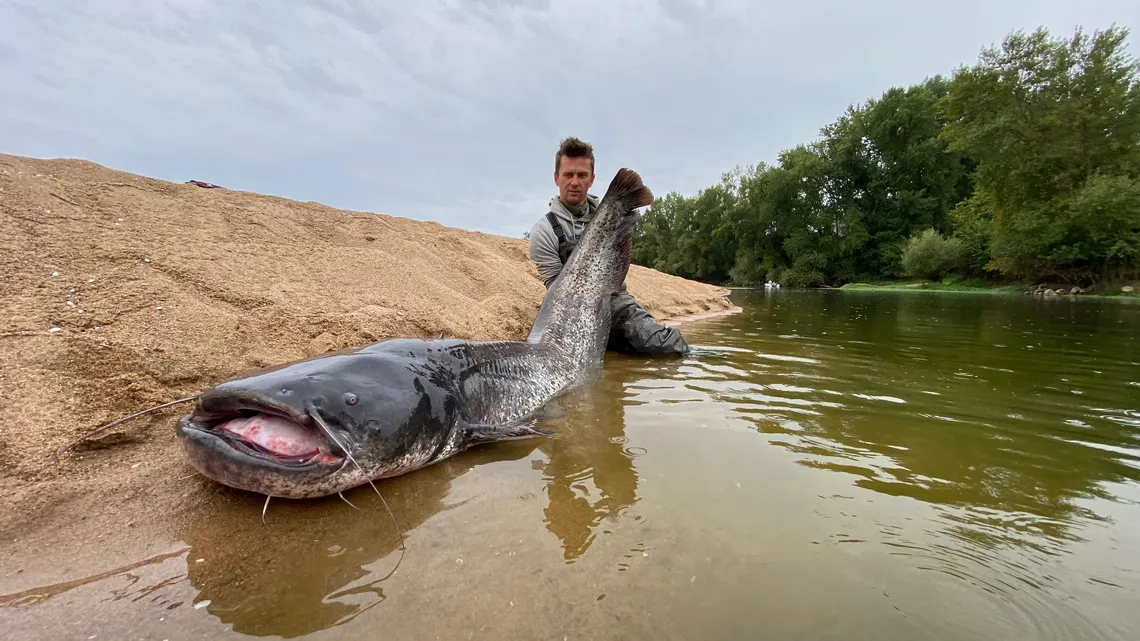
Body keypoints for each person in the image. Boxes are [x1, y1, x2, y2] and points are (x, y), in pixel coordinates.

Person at [527, 137, 691, 356]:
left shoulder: (610, 216)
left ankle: (703, 354)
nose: (575, 182)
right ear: (556, 178)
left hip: (615, 302)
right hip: (570, 311)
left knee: (665, 347)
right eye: (568, 175)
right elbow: (556, 289)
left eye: (582, 175)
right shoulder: (543, 231)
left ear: (592, 179)